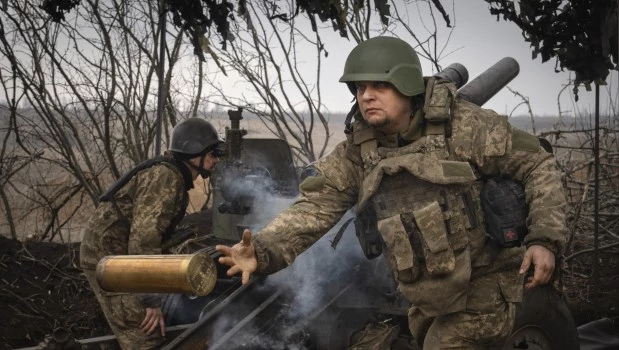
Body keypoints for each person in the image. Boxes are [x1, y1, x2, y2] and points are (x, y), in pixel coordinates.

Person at [216, 36, 567, 349]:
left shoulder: (466, 127)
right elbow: (313, 209)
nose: (365, 96)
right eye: (359, 88)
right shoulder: (359, 152)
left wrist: (544, 239)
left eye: (379, 86)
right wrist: (261, 251)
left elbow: (537, 164)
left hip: (486, 283)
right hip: (427, 296)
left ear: (407, 85)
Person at [80, 118, 222, 349]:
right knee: (145, 335)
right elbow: (143, 242)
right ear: (194, 152)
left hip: (123, 257)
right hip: (110, 261)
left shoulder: (173, 175)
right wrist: (151, 301)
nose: (216, 160)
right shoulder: (166, 178)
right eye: (212, 153)